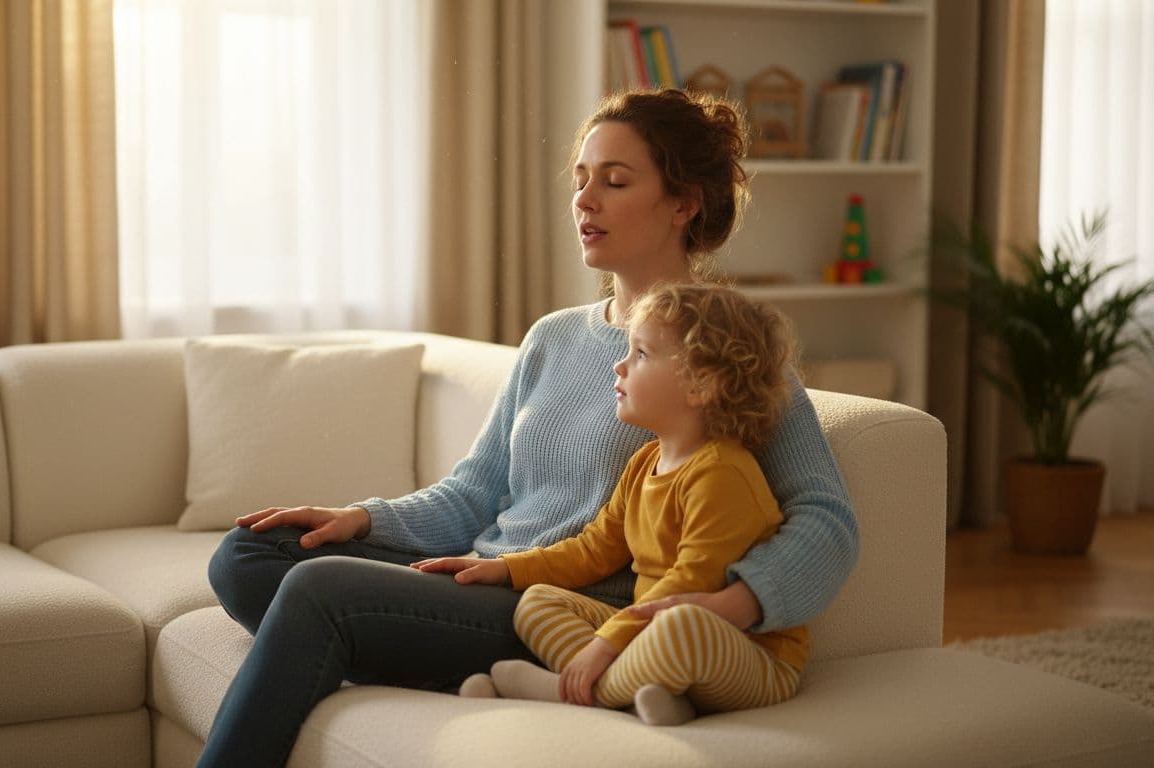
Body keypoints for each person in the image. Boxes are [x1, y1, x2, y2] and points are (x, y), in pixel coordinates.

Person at [197, 89, 856, 767]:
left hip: (560, 611)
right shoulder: (553, 337)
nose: (585, 200)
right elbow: (475, 494)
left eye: (615, 181)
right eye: (580, 180)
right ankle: (425, 659)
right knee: (250, 555)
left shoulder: (724, 358)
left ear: (683, 203)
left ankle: (483, 662)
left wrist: (730, 606)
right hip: (488, 576)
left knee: (318, 591)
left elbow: (826, 519)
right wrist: (361, 520)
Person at [413, 283, 807, 726]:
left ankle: (564, 692)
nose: (619, 366)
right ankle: (647, 695)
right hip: (652, 634)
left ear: (700, 385)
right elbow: (594, 548)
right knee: (538, 601)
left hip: (747, 654)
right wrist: (508, 569)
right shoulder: (645, 462)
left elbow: (691, 582)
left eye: (641, 354)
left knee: (682, 623)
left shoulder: (724, 473)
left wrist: (605, 645)